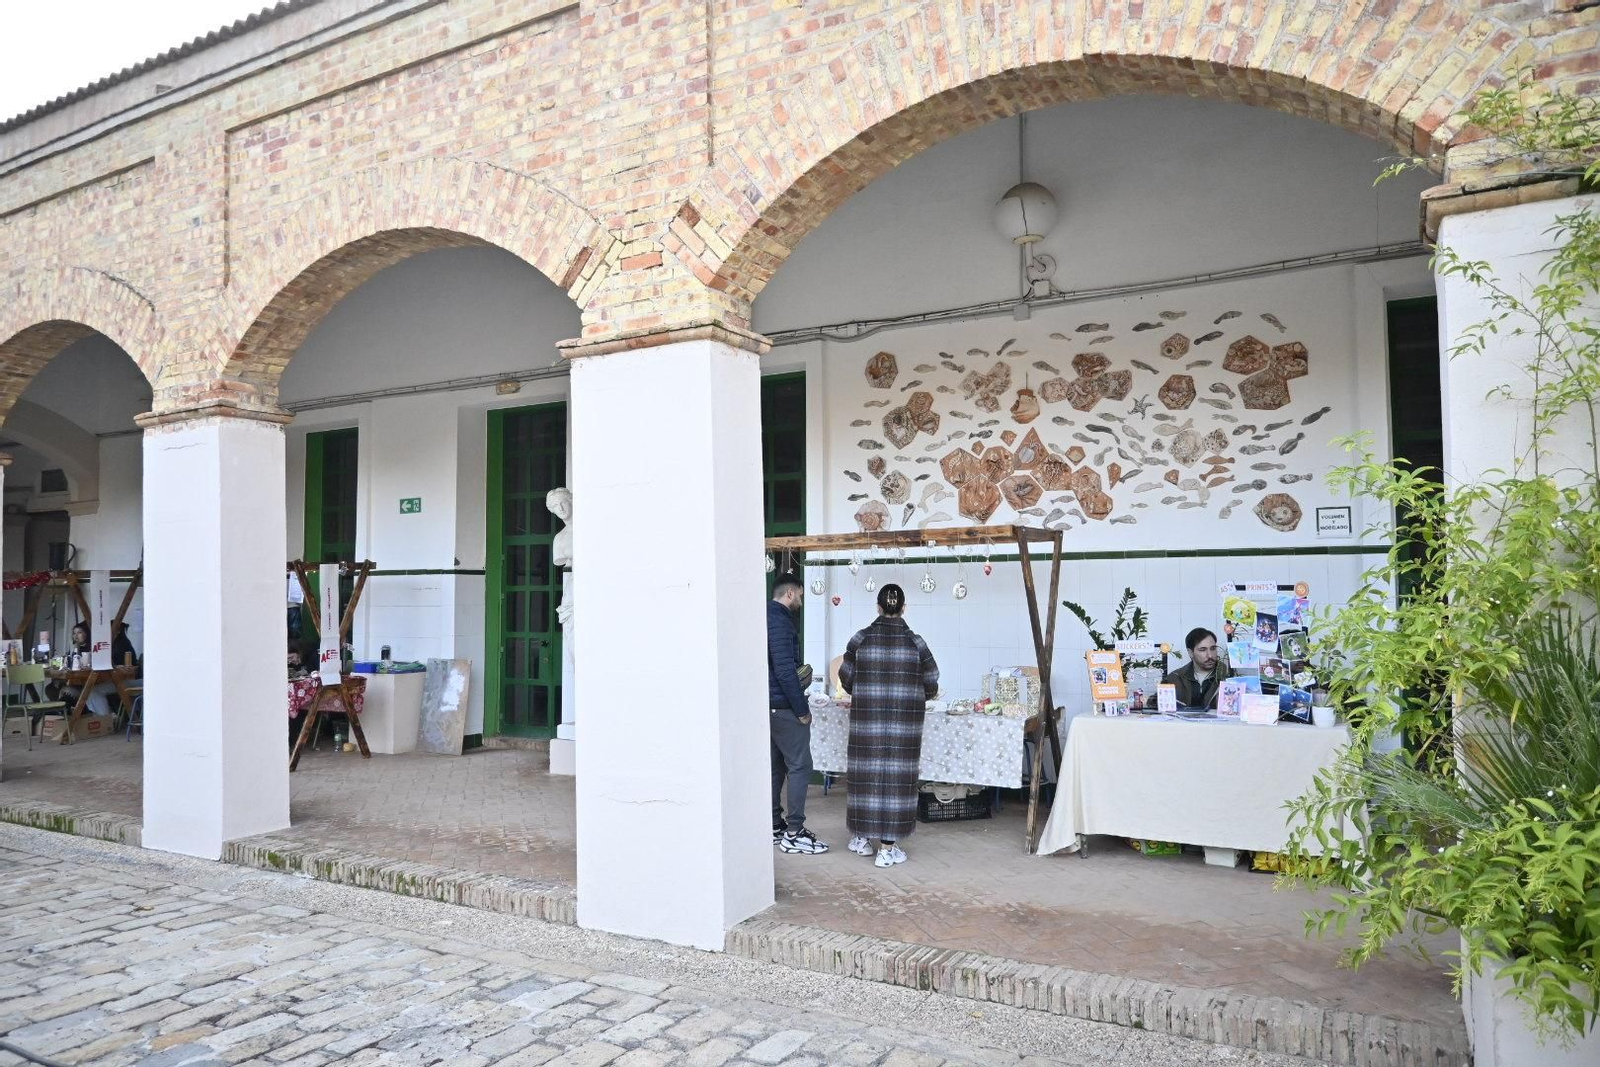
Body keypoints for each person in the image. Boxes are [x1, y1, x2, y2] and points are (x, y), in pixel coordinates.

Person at [839, 584, 940, 868]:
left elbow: (846, 679)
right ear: (904, 608)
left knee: (865, 777)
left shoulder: (861, 639)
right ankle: (887, 848)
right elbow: (931, 682)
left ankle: (861, 838)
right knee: (897, 782)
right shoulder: (916, 643)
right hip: (903, 727)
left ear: (878, 607)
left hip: (866, 724)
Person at [769, 573, 827, 854]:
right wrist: (801, 709)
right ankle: (794, 832)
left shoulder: (763, 616)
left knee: (776, 767)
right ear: (790, 593)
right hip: (783, 706)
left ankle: (774, 826)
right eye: (801, 596)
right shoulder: (779, 621)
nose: (801, 601)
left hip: (767, 705)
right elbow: (783, 670)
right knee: (800, 766)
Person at [1162, 627, 1230, 709]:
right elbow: (1155, 703)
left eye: (1213, 649)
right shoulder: (1175, 678)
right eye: (1202, 650)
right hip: (1182, 722)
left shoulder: (1228, 677)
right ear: (1190, 653)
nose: (1210, 655)